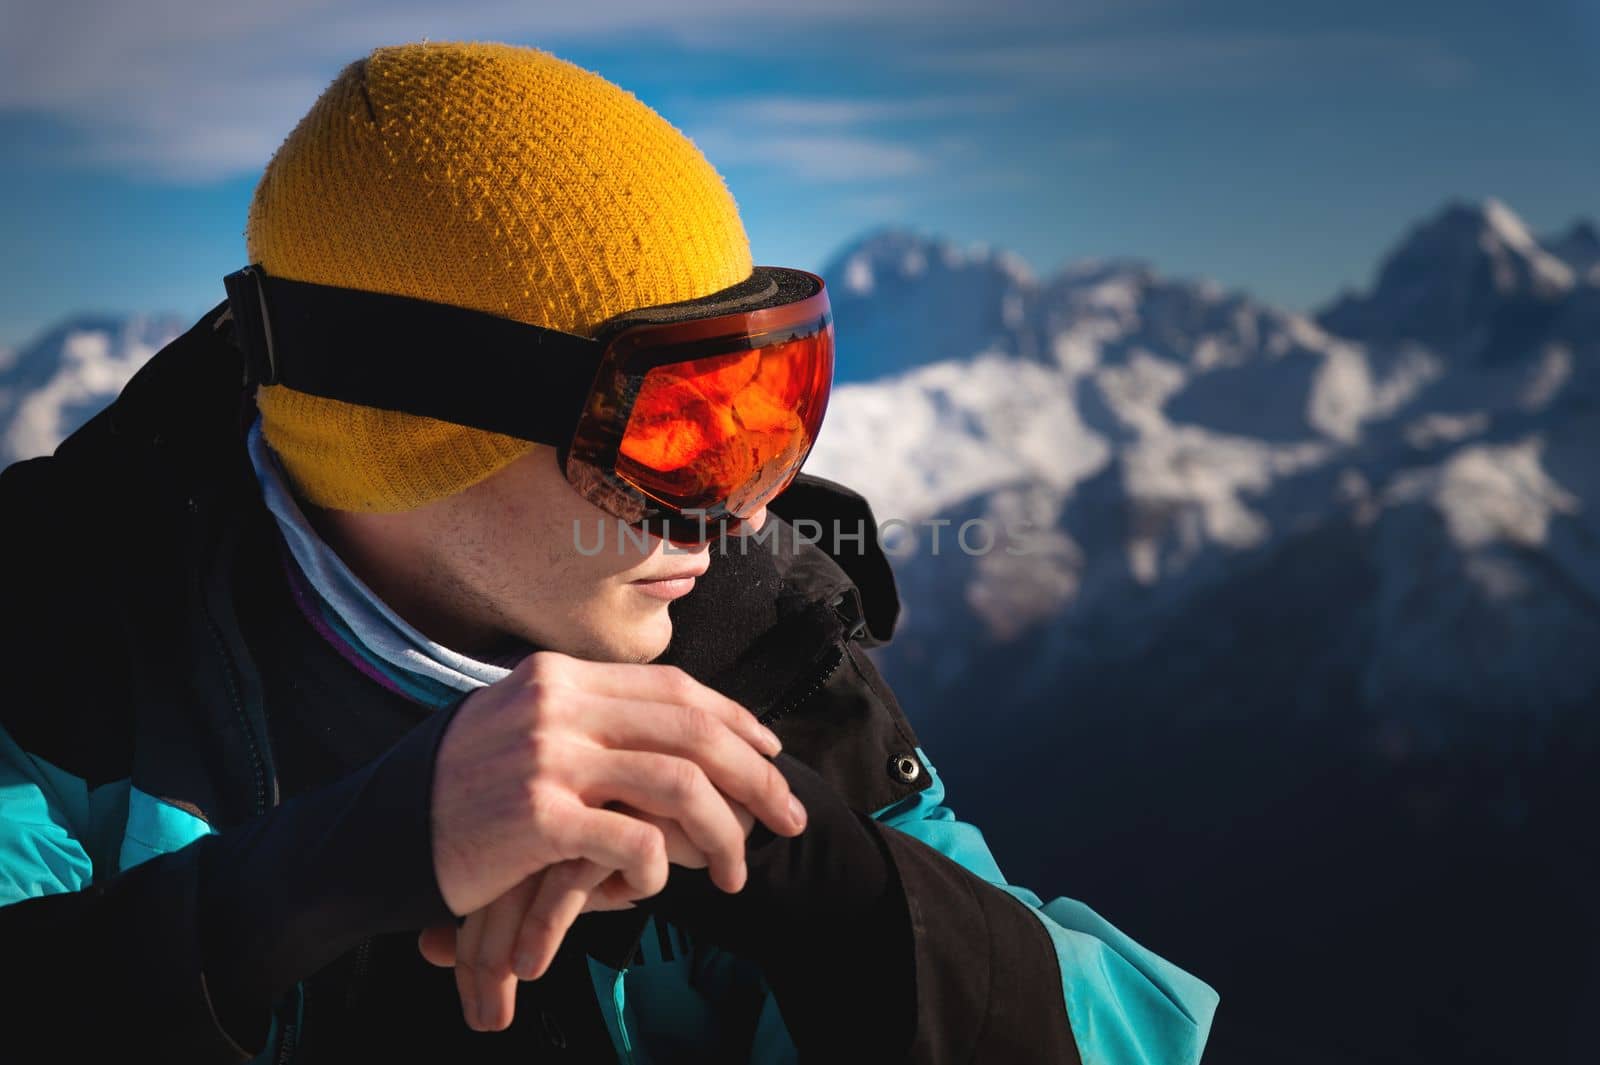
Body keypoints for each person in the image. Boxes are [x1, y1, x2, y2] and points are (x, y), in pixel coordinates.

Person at [0, 40, 1217, 1063]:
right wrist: (302, 886)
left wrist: (826, 888)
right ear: (416, 429)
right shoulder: (54, 652)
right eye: (675, 427)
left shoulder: (763, 658)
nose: (738, 514)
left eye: (765, 407)